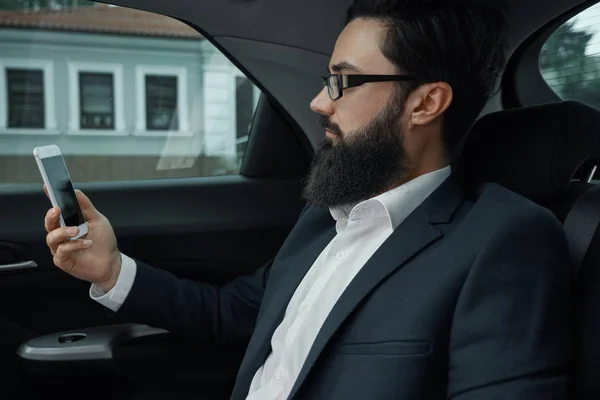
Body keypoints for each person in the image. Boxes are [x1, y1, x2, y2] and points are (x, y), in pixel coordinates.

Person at [44, 0, 572, 399]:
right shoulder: (324, 219)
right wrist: (110, 271)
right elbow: (231, 314)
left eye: (343, 82)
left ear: (426, 103)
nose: (320, 101)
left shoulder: (501, 241)